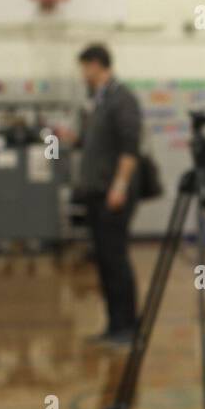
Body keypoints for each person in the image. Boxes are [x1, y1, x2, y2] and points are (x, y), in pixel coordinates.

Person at [63, 44, 143, 345]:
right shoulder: (99, 101)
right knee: (105, 260)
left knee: (116, 258)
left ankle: (128, 328)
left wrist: (119, 186)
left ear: (97, 65)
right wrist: (75, 139)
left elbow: (129, 148)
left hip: (114, 192)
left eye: (84, 68)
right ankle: (114, 325)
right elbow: (98, 143)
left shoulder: (122, 99)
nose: (82, 74)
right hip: (97, 191)